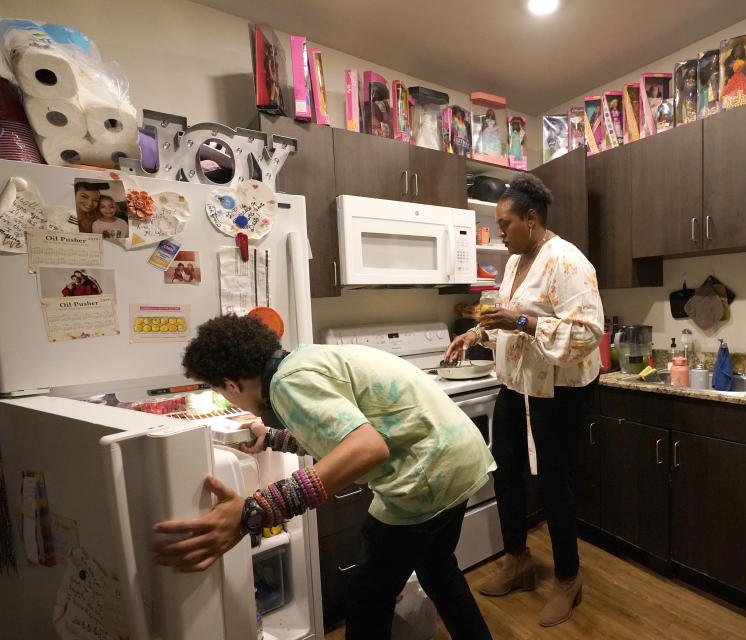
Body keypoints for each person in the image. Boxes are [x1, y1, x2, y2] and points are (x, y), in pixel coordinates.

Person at [152, 315, 494, 640]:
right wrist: (273, 437)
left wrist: (254, 511)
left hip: (426, 476)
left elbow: (365, 448)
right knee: (439, 571)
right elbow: (340, 432)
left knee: (366, 598)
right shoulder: (302, 360)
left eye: (224, 392)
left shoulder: (287, 384)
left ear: (231, 384)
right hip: (459, 457)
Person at [444, 173, 603, 628]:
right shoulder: (515, 262)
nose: (500, 233)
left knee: (556, 484)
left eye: (505, 224)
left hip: (560, 391)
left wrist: (526, 323)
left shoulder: (568, 262)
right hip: (516, 382)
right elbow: (502, 314)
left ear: (531, 219)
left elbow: (588, 334)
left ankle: (569, 579)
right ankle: (518, 562)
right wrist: (475, 332)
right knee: (505, 472)